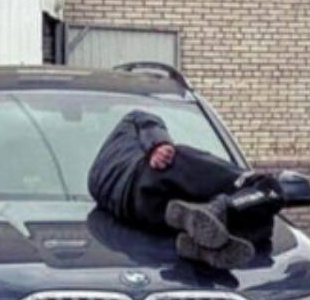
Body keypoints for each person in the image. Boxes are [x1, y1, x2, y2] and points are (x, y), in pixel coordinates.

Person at [87, 109, 285, 268]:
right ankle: (218, 209)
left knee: (241, 211)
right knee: (266, 188)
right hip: (154, 176)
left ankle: (200, 243)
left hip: (140, 213)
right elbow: (143, 117)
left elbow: (105, 191)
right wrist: (158, 144)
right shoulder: (130, 124)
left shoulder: (94, 177)